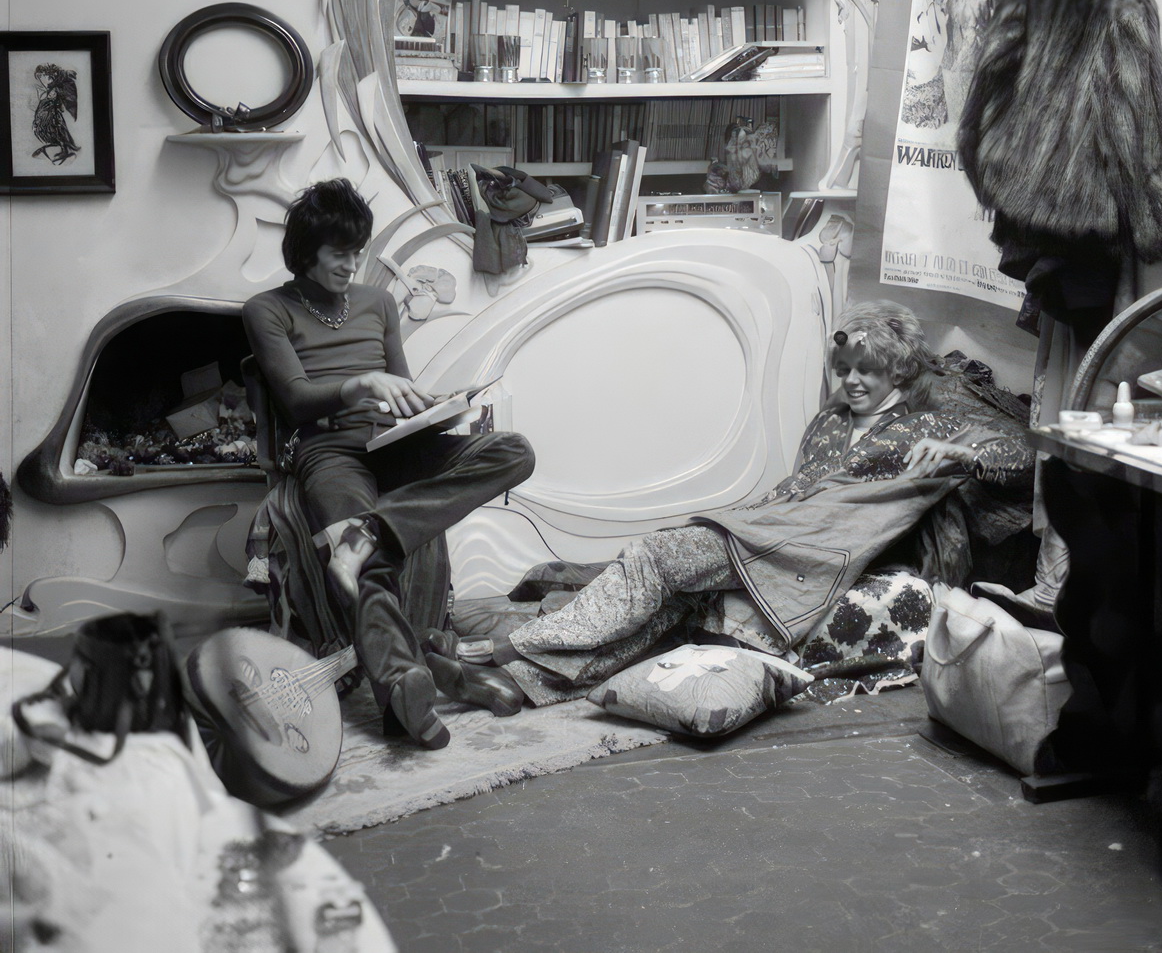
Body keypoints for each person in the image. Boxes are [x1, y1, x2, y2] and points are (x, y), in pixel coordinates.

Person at [495, 300, 1034, 706]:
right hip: (770, 530)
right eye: (844, 369)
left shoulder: (930, 426)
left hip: (819, 550)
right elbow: (796, 488)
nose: (851, 382)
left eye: (866, 370)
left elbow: (1025, 458)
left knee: (655, 555)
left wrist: (964, 455)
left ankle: (516, 649)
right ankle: (526, 682)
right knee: (676, 606)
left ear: (898, 372)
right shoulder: (830, 422)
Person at [243, 179, 535, 748]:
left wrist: (437, 407)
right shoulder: (267, 310)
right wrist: (360, 384)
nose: (351, 264)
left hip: (393, 444)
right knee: (370, 565)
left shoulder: (377, 304)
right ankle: (405, 681)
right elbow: (295, 400)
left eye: (357, 251)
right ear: (306, 250)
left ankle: (369, 534)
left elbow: (402, 389)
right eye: (338, 252)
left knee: (514, 451)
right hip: (329, 453)